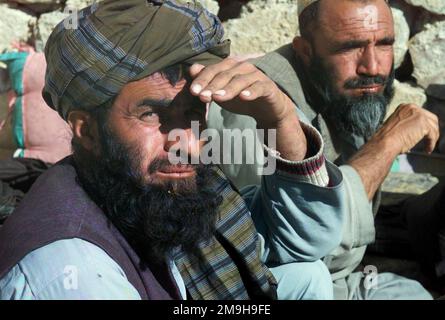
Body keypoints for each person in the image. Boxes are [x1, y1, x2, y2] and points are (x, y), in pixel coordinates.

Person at [0, 0, 346, 300]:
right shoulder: (71, 271)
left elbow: (300, 242)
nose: (186, 142)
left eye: (193, 112)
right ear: (87, 130)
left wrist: (281, 117)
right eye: (151, 114)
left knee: (305, 275)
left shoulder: (158, 192)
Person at [207, 0, 440, 299]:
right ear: (305, 50)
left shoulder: (341, 92)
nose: (372, 66)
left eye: (384, 44)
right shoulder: (257, 111)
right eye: (349, 47)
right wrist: (386, 144)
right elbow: (296, 246)